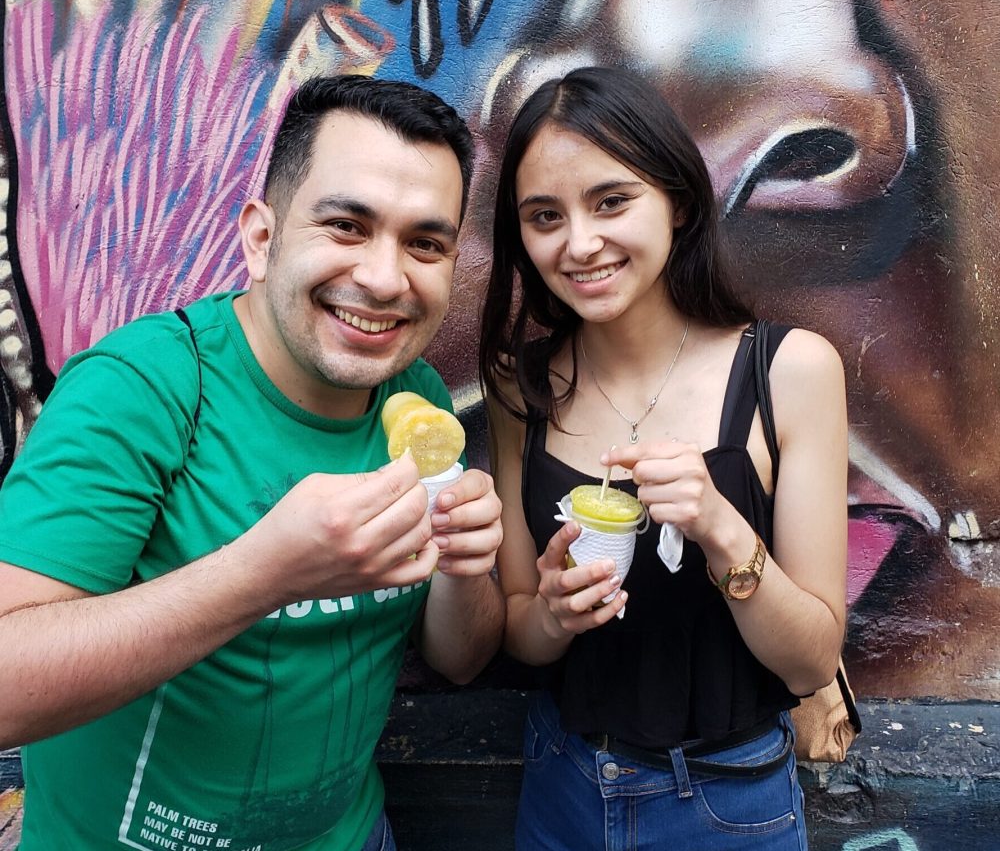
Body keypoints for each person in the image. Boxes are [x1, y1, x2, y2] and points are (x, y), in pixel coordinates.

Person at [0, 75, 505, 850]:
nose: (383, 277)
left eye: (425, 244)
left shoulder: (421, 399)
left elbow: (459, 659)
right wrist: (265, 574)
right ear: (261, 237)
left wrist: (465, 567)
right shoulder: (143, 389)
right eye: (346, 225)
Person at [479, 66, 848, 850]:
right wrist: (551, 612)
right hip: (561, 783)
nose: (579, 243)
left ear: (676, 202)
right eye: (545, 216)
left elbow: (813, 659)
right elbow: (517, 631)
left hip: (731, 802)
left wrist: (722, 530)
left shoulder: (789, 372)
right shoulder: (521, 386)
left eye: (612, 201)